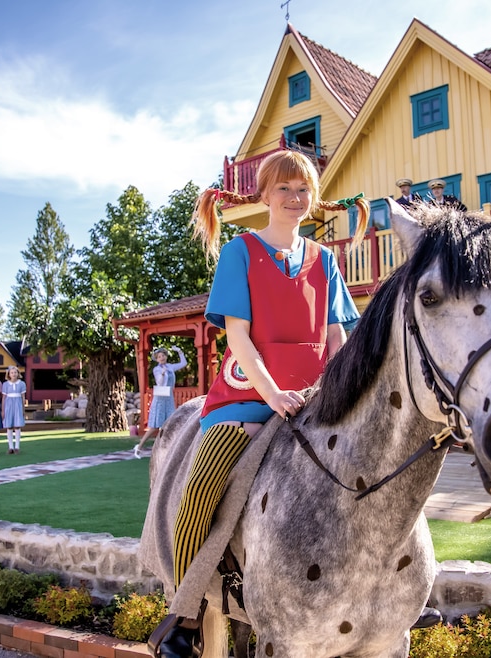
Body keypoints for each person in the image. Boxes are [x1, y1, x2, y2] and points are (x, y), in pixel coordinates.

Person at [147, 149, 372, 657]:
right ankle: (184, 613)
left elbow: (337, 335)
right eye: (285, 190)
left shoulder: (325, 260)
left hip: (315, 399)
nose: (295, 199)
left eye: (303, 191)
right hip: (248, 397)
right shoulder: (241, 252)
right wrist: (273, 393)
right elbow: (239, 338)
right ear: (264, 196)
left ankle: (387, 594)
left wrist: (338, 391)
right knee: (201, 491)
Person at [134, 346, 188, 458]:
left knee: (170, 423)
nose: (162, 358)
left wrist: (179, 351)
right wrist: (163, 374)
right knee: (155, 427)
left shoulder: (170, 367)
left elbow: (183, 363)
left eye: (163, 355)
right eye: (159, 357)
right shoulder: (157, 369)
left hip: (168, 398)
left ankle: (166, 448)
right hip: (160, 399)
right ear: (157, 359)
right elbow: (160, 382)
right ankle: (139, 447)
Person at [1, 366, 27, 454]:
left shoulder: (22, 384)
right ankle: (10, 447)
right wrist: (3, 410)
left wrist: (23, 408)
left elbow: (23, 397)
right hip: (9, 405)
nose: (14, 374)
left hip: (18, 404)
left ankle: (17, 447)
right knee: (9, 426)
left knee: (17, 425)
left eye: (15, 372)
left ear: (18, 373)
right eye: (12, 373)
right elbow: (4, 398)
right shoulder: (5, 384)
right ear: (9, 374)